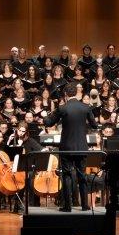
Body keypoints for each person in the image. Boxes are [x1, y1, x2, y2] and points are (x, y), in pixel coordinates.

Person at [43, 82, 99, 212]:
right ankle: (85, 206)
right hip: (81, 147)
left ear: (66, 94)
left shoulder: (63, 108)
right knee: (82, 175)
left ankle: (67, 207)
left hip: (66, 147)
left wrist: (47, 114)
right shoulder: (86, 107)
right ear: (77, 93)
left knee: (67, 175)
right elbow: (95, 125)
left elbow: (48, 122)